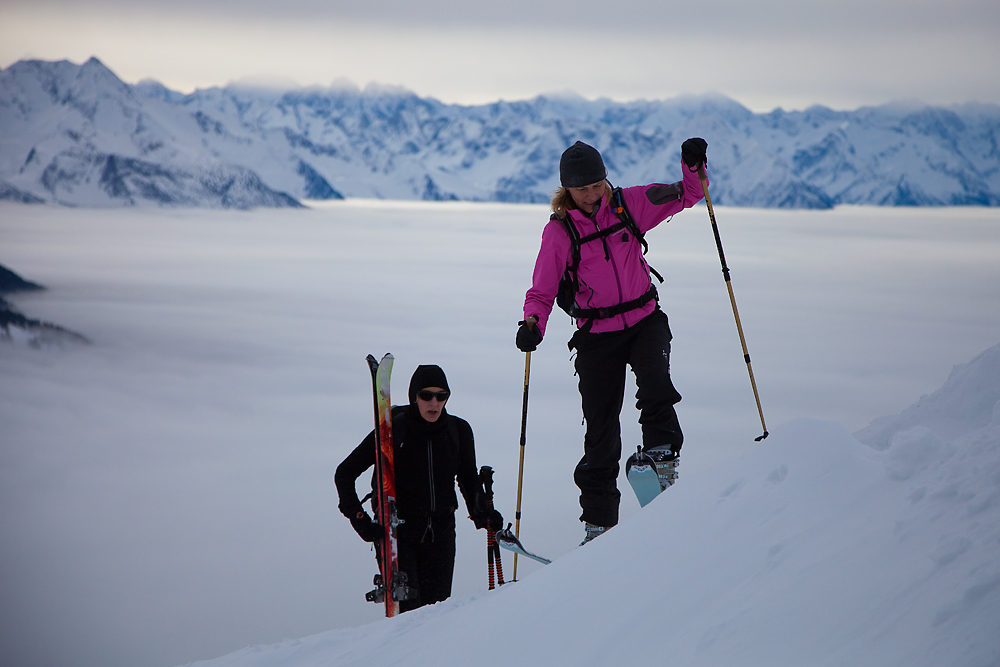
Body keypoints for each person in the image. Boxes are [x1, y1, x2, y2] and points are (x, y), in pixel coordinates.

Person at [516, 138, 708, 544]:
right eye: (581, 188)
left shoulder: (628, 204)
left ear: (605, 179)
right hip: (597, 335)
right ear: (566, 190)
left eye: (596, 185)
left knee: (656, 383)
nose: (591, 195)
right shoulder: (560, 232)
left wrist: (692, 167)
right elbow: (543, 288)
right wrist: (533, 322)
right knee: (600, 430)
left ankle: (661, 460)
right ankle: (599, 523)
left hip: (644, 320)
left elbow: (691, 194)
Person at [335, 364, 502, 613]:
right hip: (400, 535)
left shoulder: (458, 431)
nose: (434, 403)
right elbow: (345, 473)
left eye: (441, 396)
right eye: (426, 396)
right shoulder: (392, 431)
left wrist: (482, 512)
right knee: (409, 618)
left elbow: (467, 477)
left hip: (443, 535)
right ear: (414, 396)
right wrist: (359, 519)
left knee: (437, 616)